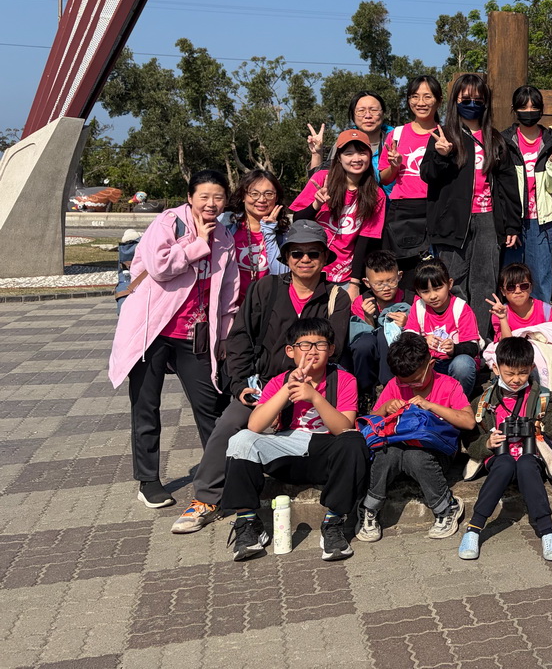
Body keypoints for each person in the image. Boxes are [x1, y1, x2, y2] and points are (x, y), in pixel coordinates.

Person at [170, 220, 351, 534]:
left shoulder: (336, 297)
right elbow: (240, 339)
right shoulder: (265, 289)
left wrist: (303, 381)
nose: (305, 259)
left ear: (324, 257)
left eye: (313, 253)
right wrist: (240, 384)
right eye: (296, 253)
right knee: (229, 423)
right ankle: (207, 499)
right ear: (286, 257)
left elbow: (333, 349)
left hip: (314, 385)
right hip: (265, 384)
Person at [109, 170, 239, 511]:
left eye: (218, 197)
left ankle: (219, 477)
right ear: (190, 197)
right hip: (152, 330)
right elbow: (159, 266)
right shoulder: (169, 223)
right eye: (204, 196)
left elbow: (229, 291)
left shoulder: (225, 235)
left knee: (210, 405)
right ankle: (148, 481)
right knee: (146, 405)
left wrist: (224, 335)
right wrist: (198, 243)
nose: (211, 204)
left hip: (195, 333)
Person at [223, 319, 368, 562]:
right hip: (286, 451)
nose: (312, 351)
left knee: (354, 441)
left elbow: (344, 427)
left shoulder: (344, 380)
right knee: (241, 440)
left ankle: (333, 523)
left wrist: (315, 398)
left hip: (326, 452)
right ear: (290, 351)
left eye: (320, 344)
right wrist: (287, 389)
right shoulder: (279, 381)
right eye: (305, 345)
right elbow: (255, 425)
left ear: (331, 349)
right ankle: (247, 523)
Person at [421, 72, 521, 340]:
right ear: (455, 101)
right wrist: (442, 156)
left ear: (486, 103)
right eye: (466, 99)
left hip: (488, 220)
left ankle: (479, 340)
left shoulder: (495, 139)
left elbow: (509, 185)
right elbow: (427, 175)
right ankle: (455, 338)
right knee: (453, 281)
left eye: (478, 99)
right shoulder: (443, 135)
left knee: (485, 283)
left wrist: (512, 225)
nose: (472, 104)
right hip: (452, 222)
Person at [459, 336, 552, 562]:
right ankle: (474, 529)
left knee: (526, 463)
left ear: (532, 368)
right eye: (509, 373)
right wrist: (487, 443)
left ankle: (547, 531)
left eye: (522, 373)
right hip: (498, 459)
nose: (516, 379)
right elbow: (470, 443)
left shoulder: (542, 397)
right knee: (504, 464)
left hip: (530, 457)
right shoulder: (482, 402)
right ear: (496, 368)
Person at [356, 331, 474, 543]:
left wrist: (430, 406)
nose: (411, 387)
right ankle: (369, 508)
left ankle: (447, 507)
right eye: (405, 383)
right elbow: (372, 420)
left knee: (415, 456)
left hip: (435, 453)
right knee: (387, 454)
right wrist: (385, 407)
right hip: (397, 450)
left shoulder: (449, 385)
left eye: (416, 381)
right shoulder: (394, 385)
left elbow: (468, 421)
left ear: (431, 363)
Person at [290, 129, 386, 298]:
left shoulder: (377, 195)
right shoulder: (322, 179)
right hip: (310, 267)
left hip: (345, 275)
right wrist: (316, 204)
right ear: (339, 158)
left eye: (362, 153)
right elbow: (298, 221)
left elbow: (364, 241)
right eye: (348, 153)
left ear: (370, 157)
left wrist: (354, 283)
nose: (356, 159)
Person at [502, 85, 552, 303]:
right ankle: (508, 320)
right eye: (523, 107)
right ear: (514, 109)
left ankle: (543, 320)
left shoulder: (551, 142)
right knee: (510, 278)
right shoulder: (504, 141)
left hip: (542, 220)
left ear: (542, 109)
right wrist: (507, 222)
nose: (529, 112)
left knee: (540, 277)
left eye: (534, 107)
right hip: (513, 220)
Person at [380, 75, 443, 271]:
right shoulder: (396, 135)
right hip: (403, 210)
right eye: (415, 97)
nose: (421, 103)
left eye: (427, 96)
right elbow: (384, 178)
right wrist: (395, 166)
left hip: (438, 207)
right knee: (405, 270)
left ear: (439, 101)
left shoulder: (447, 134)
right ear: (408, 101)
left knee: (437, 270)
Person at [404, 257, 482, 396]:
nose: (433, 296)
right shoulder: (418, 307)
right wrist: (423, 340)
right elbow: (407, 337)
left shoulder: (461, 308)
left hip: (454, 362)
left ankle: (460, 401)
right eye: (425, 291)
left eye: (437, 288)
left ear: (450, 284)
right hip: (430, 363)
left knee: (463, 365)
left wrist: (454, 349)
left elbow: (473, 347)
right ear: (418, 292)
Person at [219, 168, 289, 302]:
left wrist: (269, 232)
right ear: (243, 196)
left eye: (269, 194)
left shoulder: (284, 235)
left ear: (276, 198)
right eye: (254, 194)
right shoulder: (225, 226)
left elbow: (282, 276)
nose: (261, 199)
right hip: (229, 306)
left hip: (268, 306)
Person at [347, 249, 410, 397]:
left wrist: (407, 323)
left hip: (399, 357)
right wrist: (368, 317)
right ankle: (365, 393)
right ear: (367, 283)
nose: (386, 288)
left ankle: (391, 389)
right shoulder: (361, 302)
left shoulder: (410, 300)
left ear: (400, 276)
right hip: (370, 356)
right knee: (363, 344)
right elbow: (360, 335)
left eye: (391, 281)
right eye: (379, 284)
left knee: (384, 335)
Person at [307, 90, 394, 197]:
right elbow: (319, 183)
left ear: (383, 113)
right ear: (352, 115)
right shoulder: (343, 143)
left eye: (374, 110)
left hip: (394, 206)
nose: (367, 115)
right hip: (353, 206)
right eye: (361, 111)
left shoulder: (397, 140)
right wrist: (316, 153)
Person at [488, 262, 552, 339]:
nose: (518, 291)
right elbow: (505, 344)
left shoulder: (546, 311)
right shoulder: (499, 313)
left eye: (524, 286)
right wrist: (503, 318)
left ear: (530, 288)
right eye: (511, 287)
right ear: (503, 291)